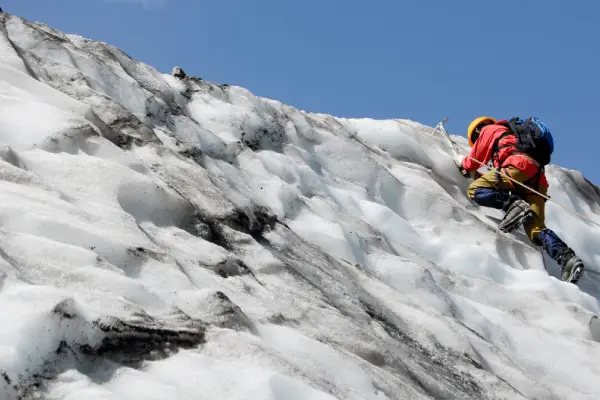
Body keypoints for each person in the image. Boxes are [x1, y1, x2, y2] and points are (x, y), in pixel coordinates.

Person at [454, 116, 585, 284]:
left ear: (477, 131)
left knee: (476, 190)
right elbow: (498, 179)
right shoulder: (514, 138)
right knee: (535, 229)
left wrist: (462, 164)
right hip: (536, 180)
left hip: (518, 166)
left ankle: (514, 206)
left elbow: (473, 162)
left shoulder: (490, 130)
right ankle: (568, 259)